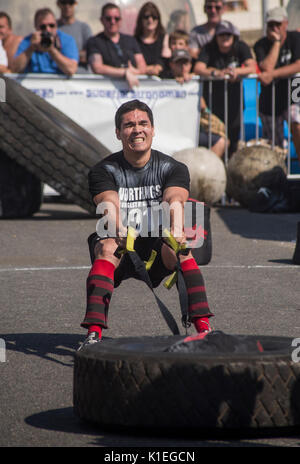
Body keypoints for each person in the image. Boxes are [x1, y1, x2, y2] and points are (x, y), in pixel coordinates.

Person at [78, 99, 213, 349]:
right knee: (107, 245)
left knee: (181, 248)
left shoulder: (173, 167)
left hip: (156, 248)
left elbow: (175, 200)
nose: (137, 129)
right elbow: (109, 203)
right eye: (129, 125)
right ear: (118, 133)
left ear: (152, 129)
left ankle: (205, 330)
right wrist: (118, 227)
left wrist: (176, 229)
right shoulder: (103, 170)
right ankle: (93, 334)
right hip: (123, 244)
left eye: (143, 123)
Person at [194, 20, 256, 155]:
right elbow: (198, 68)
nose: (225, 37)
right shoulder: (208, 48)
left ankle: (230, 172)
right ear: (216, 36)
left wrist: (236, 72)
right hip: (213, 103)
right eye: (221, 34)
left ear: (234, 36)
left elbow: (252, 67)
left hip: (235, 102)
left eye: (228, 34)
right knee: (216, 136)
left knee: (233, 138)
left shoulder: (240, 46)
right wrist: (215, 73)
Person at [254, 6, 300, 163]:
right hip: (270, 102)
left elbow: (298, 65)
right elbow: (267, 67)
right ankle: (279, 179)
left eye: (278, 24)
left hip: (294, 94)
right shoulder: (260, 44)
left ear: (286, 23)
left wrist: (272, 75)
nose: (274, 28)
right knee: (276, 147)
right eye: (271, 24)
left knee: (297, 123)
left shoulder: (296, 38)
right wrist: (276, 43)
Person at [86, 3, 146, 89]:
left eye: (116, 18)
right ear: (102, 20)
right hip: (106, 91)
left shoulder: (131, 40)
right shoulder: (94, 41)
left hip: (133, 90)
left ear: (121, 20)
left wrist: (134, 72)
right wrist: (125, 72)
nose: (112, 22)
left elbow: (142, 67)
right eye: (108, 18)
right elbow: (97, 68)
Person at [12, 8, 78, 75]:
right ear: (36, 27)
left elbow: (71, 70)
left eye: (51, 25)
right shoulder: (28, 41)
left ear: (56, 25)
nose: (48, 29)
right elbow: (15, 69)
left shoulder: (67, 40)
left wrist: (52, 50)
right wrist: (31, 48)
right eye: (43, 27)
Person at [134, 2, 171, 77]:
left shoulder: (165, 39)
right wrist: (149, 70)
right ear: (140, 20)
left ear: (158, 19)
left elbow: (166, 61)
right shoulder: (134, 41)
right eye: (146, 17)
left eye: (154, 17)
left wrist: (157, 68)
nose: (150, 20)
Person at [56, 0, 92, 72]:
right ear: (58, 4)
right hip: (58, 75)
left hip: (80, 75)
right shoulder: (51, 27)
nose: (67, 6)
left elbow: (90, 55)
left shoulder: (84, 28)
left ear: (75, 4)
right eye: (64, 2)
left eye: (71, 3)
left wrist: (62, 55)